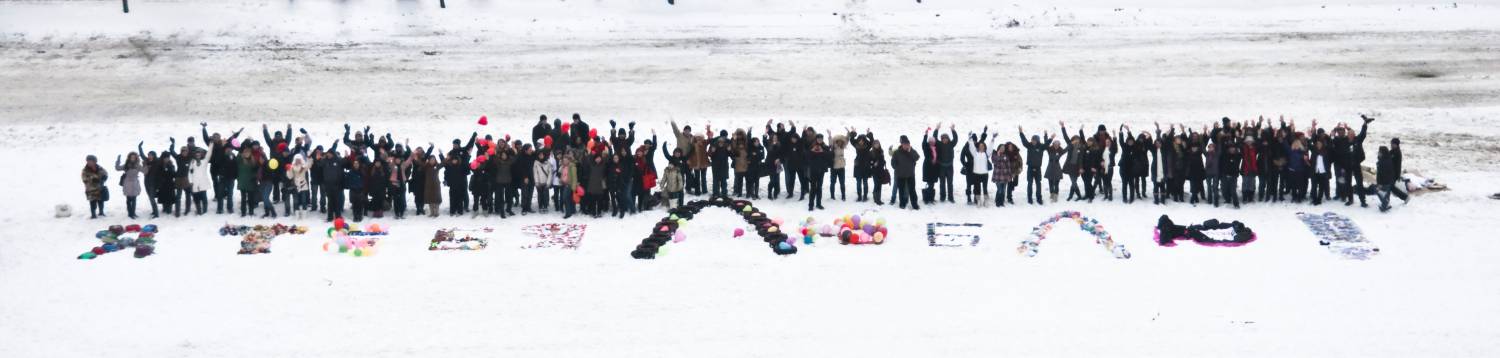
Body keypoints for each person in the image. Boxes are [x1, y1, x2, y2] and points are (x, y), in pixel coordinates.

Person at [891, 135, 921, 210]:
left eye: (907, 144)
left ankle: (915, 204)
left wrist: (910, 151)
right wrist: (897, 168)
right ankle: (902, 204)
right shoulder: (897, 152)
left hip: (911, 175)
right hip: (901, 175)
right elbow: (893, 162)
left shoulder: (911, 151)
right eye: (904, 144)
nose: (906, 145)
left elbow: (917, 157)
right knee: (901, 191)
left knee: (912, 191)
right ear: (901, 144)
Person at [115, 153, 143, 219]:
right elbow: (117, 168)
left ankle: (133, 213)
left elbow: (145, 171)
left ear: (136, 158)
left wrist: (145, 164)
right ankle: (130, 213)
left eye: (134, 157)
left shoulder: (138, 165)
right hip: (127, 183)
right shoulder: (126, 165)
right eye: (131, 157)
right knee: (128, 199)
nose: (132, 158)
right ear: (129, 158)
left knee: (134, 199)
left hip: (135, 183)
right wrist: (118, 160)